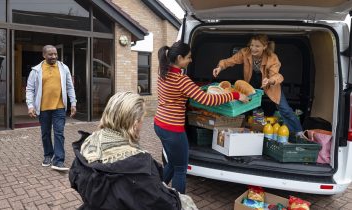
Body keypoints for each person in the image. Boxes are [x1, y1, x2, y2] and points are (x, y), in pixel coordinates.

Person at [69, 92, 197, 210]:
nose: (142, 123)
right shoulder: (140, 165)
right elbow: (164, 204)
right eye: (142, 118)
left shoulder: (88, 142)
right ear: (135, 123)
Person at [154, 41, 249, 194]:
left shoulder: (163, 73)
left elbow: (185, 90)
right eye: (188, 57)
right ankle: (180, 203)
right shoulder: (181, 80)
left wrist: (199, 86)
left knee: (171, 163)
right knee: (180, 169)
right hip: (173, 130)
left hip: (159, 124)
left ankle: (155, 191)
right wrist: (236, 95)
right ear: (179, 58)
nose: (191, 60)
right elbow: (208, 100)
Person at [212, 34, 303, 135]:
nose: (253, 48)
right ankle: (238, 131)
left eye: (257, 46)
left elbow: (276, 75)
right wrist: (220, 67)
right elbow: (230, 61)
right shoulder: (245, 52)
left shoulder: (272, 58)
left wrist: (269, 80)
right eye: (252, 45)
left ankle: (298, 132)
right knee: (243, 105)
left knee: (284, 108)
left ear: (264, 47)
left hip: (270, 84)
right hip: (252, 82)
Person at [26, 45, 77, 171]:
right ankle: (48, 155)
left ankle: (59, 160)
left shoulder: (64, 68)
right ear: (44, 55)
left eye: (55, 54)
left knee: (59, 133)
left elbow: (70, 87)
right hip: (43, 108)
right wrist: (30, 106)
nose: (54, 56)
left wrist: (73, 103)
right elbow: (30, 89)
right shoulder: (36, 70)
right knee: (45, 133)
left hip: (59, 107)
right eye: (50, 54)